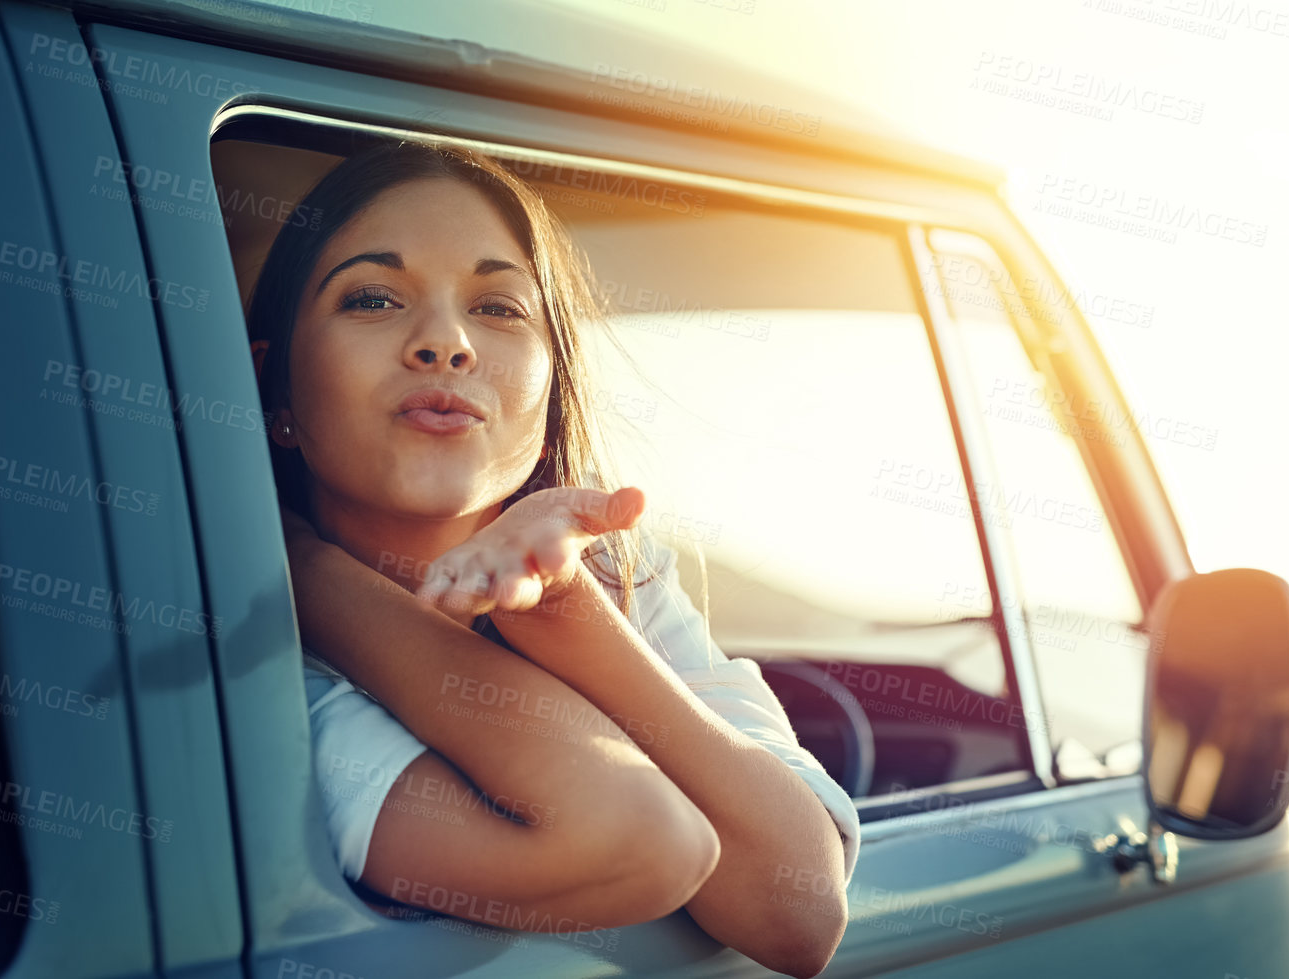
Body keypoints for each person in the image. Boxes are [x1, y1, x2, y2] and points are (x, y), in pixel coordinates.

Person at [246, 139, 857, 978]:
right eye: (374, 297)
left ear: (550, 388)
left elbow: (799, 914)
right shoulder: (263, 668)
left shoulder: (625, 582)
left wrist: (565, 606)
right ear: (273, 389)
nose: (446, 343)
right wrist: (314, 586)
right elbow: (640, 841)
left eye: (497, 308)